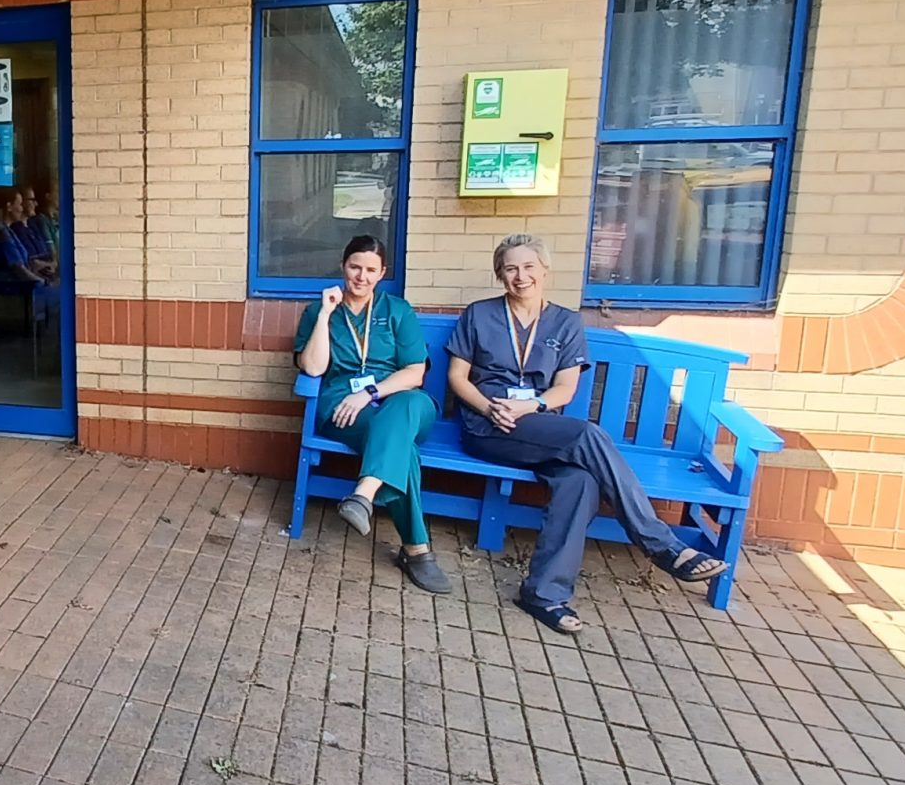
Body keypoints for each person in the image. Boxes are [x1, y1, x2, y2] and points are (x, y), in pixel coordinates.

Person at [446, 233, 725, 634]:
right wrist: (490, 407)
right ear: (500, 275)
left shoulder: (565, 321)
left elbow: (565, 389)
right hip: (488, 425)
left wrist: (531, 405)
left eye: (528, 267)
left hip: (539, 423)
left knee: (581, 481)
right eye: (510, 268)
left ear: (544, 270)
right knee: (586, 435)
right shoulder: (479, 314)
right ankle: (660, 544)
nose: (520, 276)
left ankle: (543, 594)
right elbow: (458, 377)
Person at [295, 235, 453, 595]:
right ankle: (417, 551)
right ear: (342, 267)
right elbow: (314, 368)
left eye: (370, 270)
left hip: (396, 398)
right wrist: (324, 314)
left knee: (407, 404)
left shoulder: (397, 310)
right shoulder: (319, 311)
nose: (361, 277)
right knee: (403, 451)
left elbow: (415, 372)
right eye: (354, 267)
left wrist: (370, 392)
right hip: (344, 407)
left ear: (382, 273)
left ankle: (363, 495)